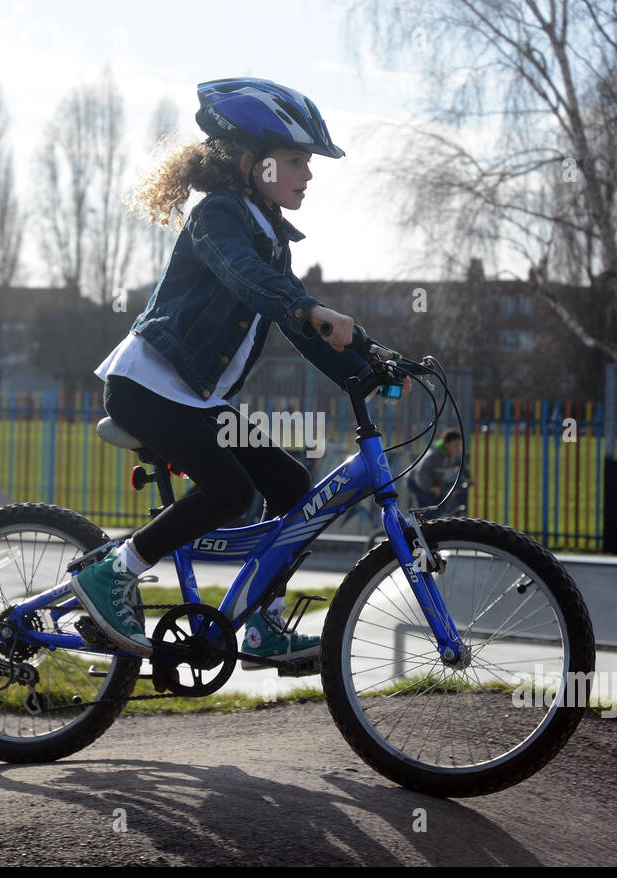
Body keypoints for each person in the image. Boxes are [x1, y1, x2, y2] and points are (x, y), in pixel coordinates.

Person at [71, 78, 408, 669]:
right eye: (298, 161)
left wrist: (369, 362)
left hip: (194, 401)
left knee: (291, 484)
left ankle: (259, 625)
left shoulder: (271, 238)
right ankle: (112, 572)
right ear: (255, 164)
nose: (308, 175)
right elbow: (247, 277)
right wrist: (309, 309)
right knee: (231, 492)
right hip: (147, 387)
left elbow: (295, 318)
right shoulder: (219, 218)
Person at [407, 430, 472, 515]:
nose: (458, 448)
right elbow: (420, 473)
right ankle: (418, 525)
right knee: (434, 508)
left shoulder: (453, 455)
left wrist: (468, 478)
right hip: (415, 482)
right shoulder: (433, 454)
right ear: (446, 444)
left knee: (435, 508)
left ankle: (422, 524)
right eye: (455, 445)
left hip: (431, 483)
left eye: (459, 445)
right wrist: (431, 487)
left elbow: (461, 466)